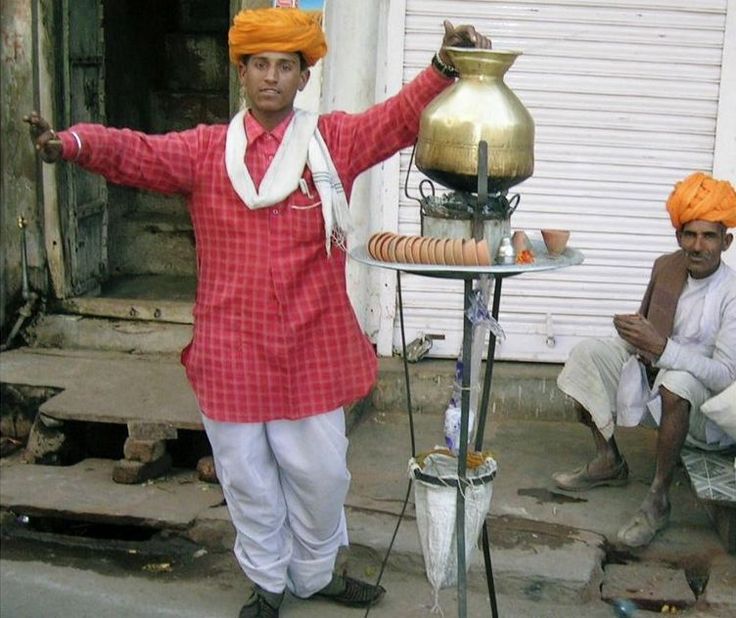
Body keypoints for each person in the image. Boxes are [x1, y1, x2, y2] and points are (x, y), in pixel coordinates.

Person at [25, 8, 491, 617]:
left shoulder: (334, 143)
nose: (272, 76)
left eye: (286, 66)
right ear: (242, 74)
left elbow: (398, 119)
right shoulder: (205, 151)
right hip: (231, 350)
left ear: (303, 78)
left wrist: (441, 66)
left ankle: (315, 574)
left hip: (312, 348)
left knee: (321, 479)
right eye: (260, 65)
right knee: (246, 482)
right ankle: (268, 583)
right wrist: (74, 144)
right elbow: (136, 153)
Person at [552, 171, 736, 548]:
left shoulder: (731, 292)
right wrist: (634, 332)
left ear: (726, 242)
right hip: (657, 369)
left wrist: (663, 348)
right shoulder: (667, 267)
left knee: (675, 382)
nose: (698, 245)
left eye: (709, 236)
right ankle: (609, 460)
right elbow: (651, 330)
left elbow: (726, 377)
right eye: (690, 234)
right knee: (588, 353)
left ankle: (658, 499)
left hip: (706, 413)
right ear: (678, 237)